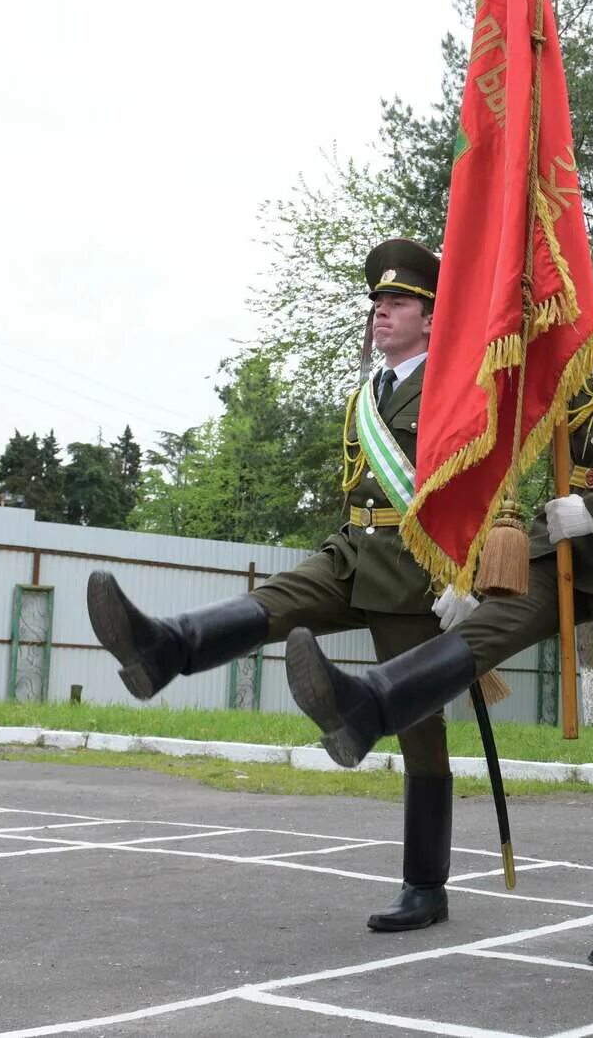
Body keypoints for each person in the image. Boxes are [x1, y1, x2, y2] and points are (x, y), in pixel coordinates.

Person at [285, 192, 593, 970]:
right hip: (560, 546)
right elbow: (522, 438)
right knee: (479, 633)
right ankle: (370, 701)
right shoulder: (590, 357)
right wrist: (492, 541)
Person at [84, 240, 474, 933]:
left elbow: (481, 479)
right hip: (352, 550)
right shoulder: (366, 394)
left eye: (398, 304)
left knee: (421, 733)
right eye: (378, 304)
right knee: (272, 603)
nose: (382, 314)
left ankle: (425, 885)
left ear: (431, 316)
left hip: (416, 570)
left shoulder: (453, 385)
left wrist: (471, 571)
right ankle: (164, 646)